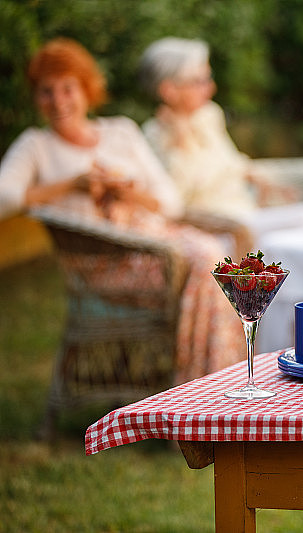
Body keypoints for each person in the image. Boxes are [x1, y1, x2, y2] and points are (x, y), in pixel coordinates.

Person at [0, 38, 240, 384]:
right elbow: (5, 197)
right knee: (207, 261)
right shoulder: (36, 146)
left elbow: (169, 202)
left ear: (86, 90)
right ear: (36, 98)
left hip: (155, 242)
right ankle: (203, 387)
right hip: (106, 263)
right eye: (46, 91)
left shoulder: (121, 132)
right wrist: (72, 184)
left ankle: (205, 383)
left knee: (216, 260)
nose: (58, 101)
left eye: (68, 89)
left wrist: (128, 192)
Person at [138, 37, 303, 233]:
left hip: (244, 213)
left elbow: (230, 161)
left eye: (208, 78)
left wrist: (260, 179)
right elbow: (176, 201)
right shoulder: (154, 136)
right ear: (169, 90)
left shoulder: (209, 115)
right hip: (213, 227)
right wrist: (182, 140)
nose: (210, 88)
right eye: (199, 81)